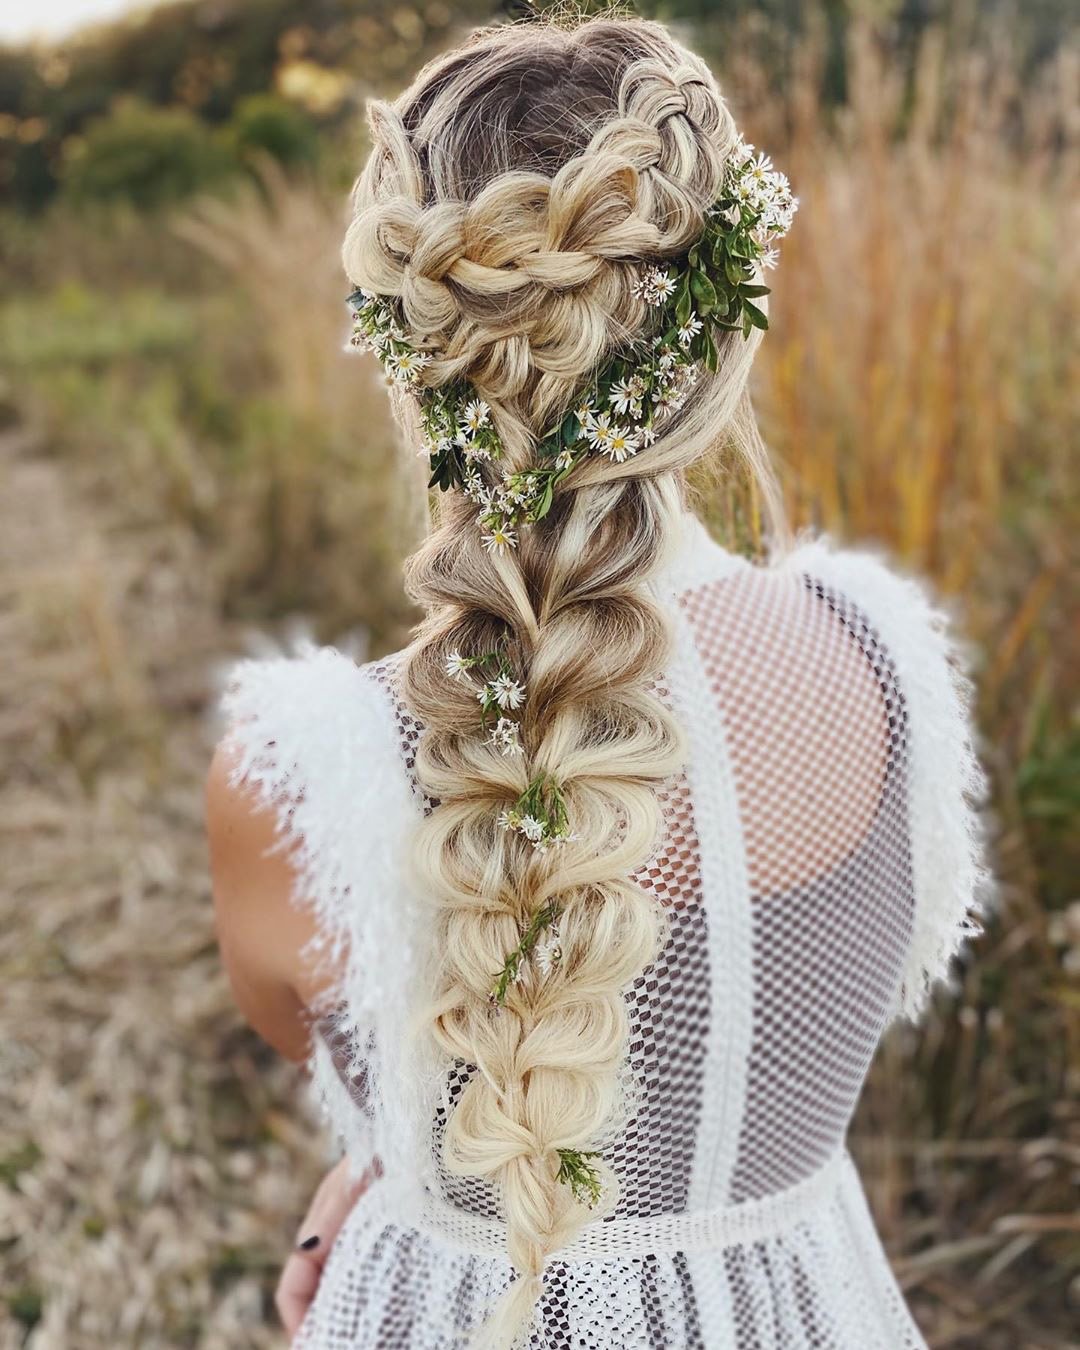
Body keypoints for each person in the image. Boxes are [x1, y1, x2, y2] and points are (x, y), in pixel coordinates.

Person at [206, 11, 994, 1348]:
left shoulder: (304, 777)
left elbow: (380, 1071)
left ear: (410, 339)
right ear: (722, 329)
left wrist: (382, 1178)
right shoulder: (885, 671)